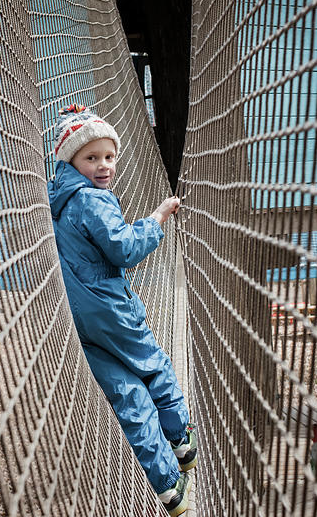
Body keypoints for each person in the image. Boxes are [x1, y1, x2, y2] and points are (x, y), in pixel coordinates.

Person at [47, 105, 197, 516]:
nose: (103, 166)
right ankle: (182, 441)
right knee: (154, 369)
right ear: (71, 161)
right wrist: (157, 217)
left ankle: (169, 489)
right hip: (114, 314)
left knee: (130, 399)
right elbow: (124, 249)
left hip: (80, 322)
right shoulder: (94, 200)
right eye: (90, 158)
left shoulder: (55, 200)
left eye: (109, 156)